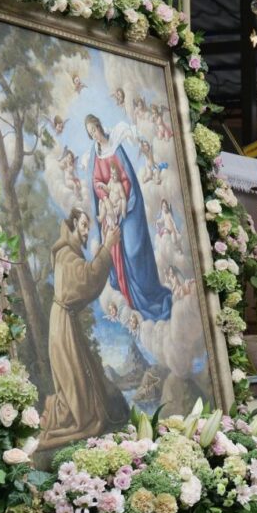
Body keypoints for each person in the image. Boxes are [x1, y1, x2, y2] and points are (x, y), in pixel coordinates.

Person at [41, 209, 130, 449]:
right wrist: (108, 245)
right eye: (82, 225)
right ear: (71, 226)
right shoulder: (65, 254)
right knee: (74, 378)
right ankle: (75, 419)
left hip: (65, 322)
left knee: (78, 376)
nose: (85, 231)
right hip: (62, 325)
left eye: (87, 226)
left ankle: (79, 413)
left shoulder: (68, 253)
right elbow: (88, 278)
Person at [85, 114, 174, 322]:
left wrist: (120, 200)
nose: (95, 136)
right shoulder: (96, 154)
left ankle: (148, 293)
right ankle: (128, 298)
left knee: (133, 250)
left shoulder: (115, 147)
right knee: (114, 244)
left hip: (128, 206)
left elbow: (127, 179)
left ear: (99, 126)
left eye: (95, 131)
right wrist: (107, 199)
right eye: (90, 135)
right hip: (110, 208)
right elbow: (96, 181)